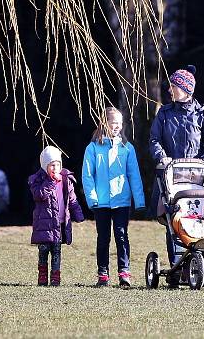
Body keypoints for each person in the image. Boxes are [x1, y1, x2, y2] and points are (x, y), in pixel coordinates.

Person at [148, 65, 204, 265]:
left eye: (173, 86)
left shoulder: (203, 114)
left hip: (197, 178)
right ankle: (178, 264)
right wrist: (162, 157)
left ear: (186, 89)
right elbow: (154, 139)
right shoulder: (165, 113)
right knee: (174, 220)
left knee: (197, 218)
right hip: (171, 177)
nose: (170, 90)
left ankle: (200, 261)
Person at [82, 106, 145, 287]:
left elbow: (134, 175)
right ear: (104, 123)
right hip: (101, 202)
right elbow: (87, 175)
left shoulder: (127, 148)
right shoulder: (93, 148)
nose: (117, 126)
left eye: (120, 123)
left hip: (121, 201)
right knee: (103, 237)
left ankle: (124, 272)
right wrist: (92, 198)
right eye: (113, 122)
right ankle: (103, 274)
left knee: (122, 235)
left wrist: (139, 200)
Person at [29, 145, 84, 287]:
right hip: (44, 225)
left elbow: (72, 199)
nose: (55, 168)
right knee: (43, 251)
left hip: (59, 224)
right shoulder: (38, 180)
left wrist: (78, 214)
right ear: (44, 166)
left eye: (57, 165)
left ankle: (55, 277)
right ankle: (42, 276)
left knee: (57, 251)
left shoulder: (66, 180)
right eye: (51, 165)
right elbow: (39, 195)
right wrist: (51, 182)